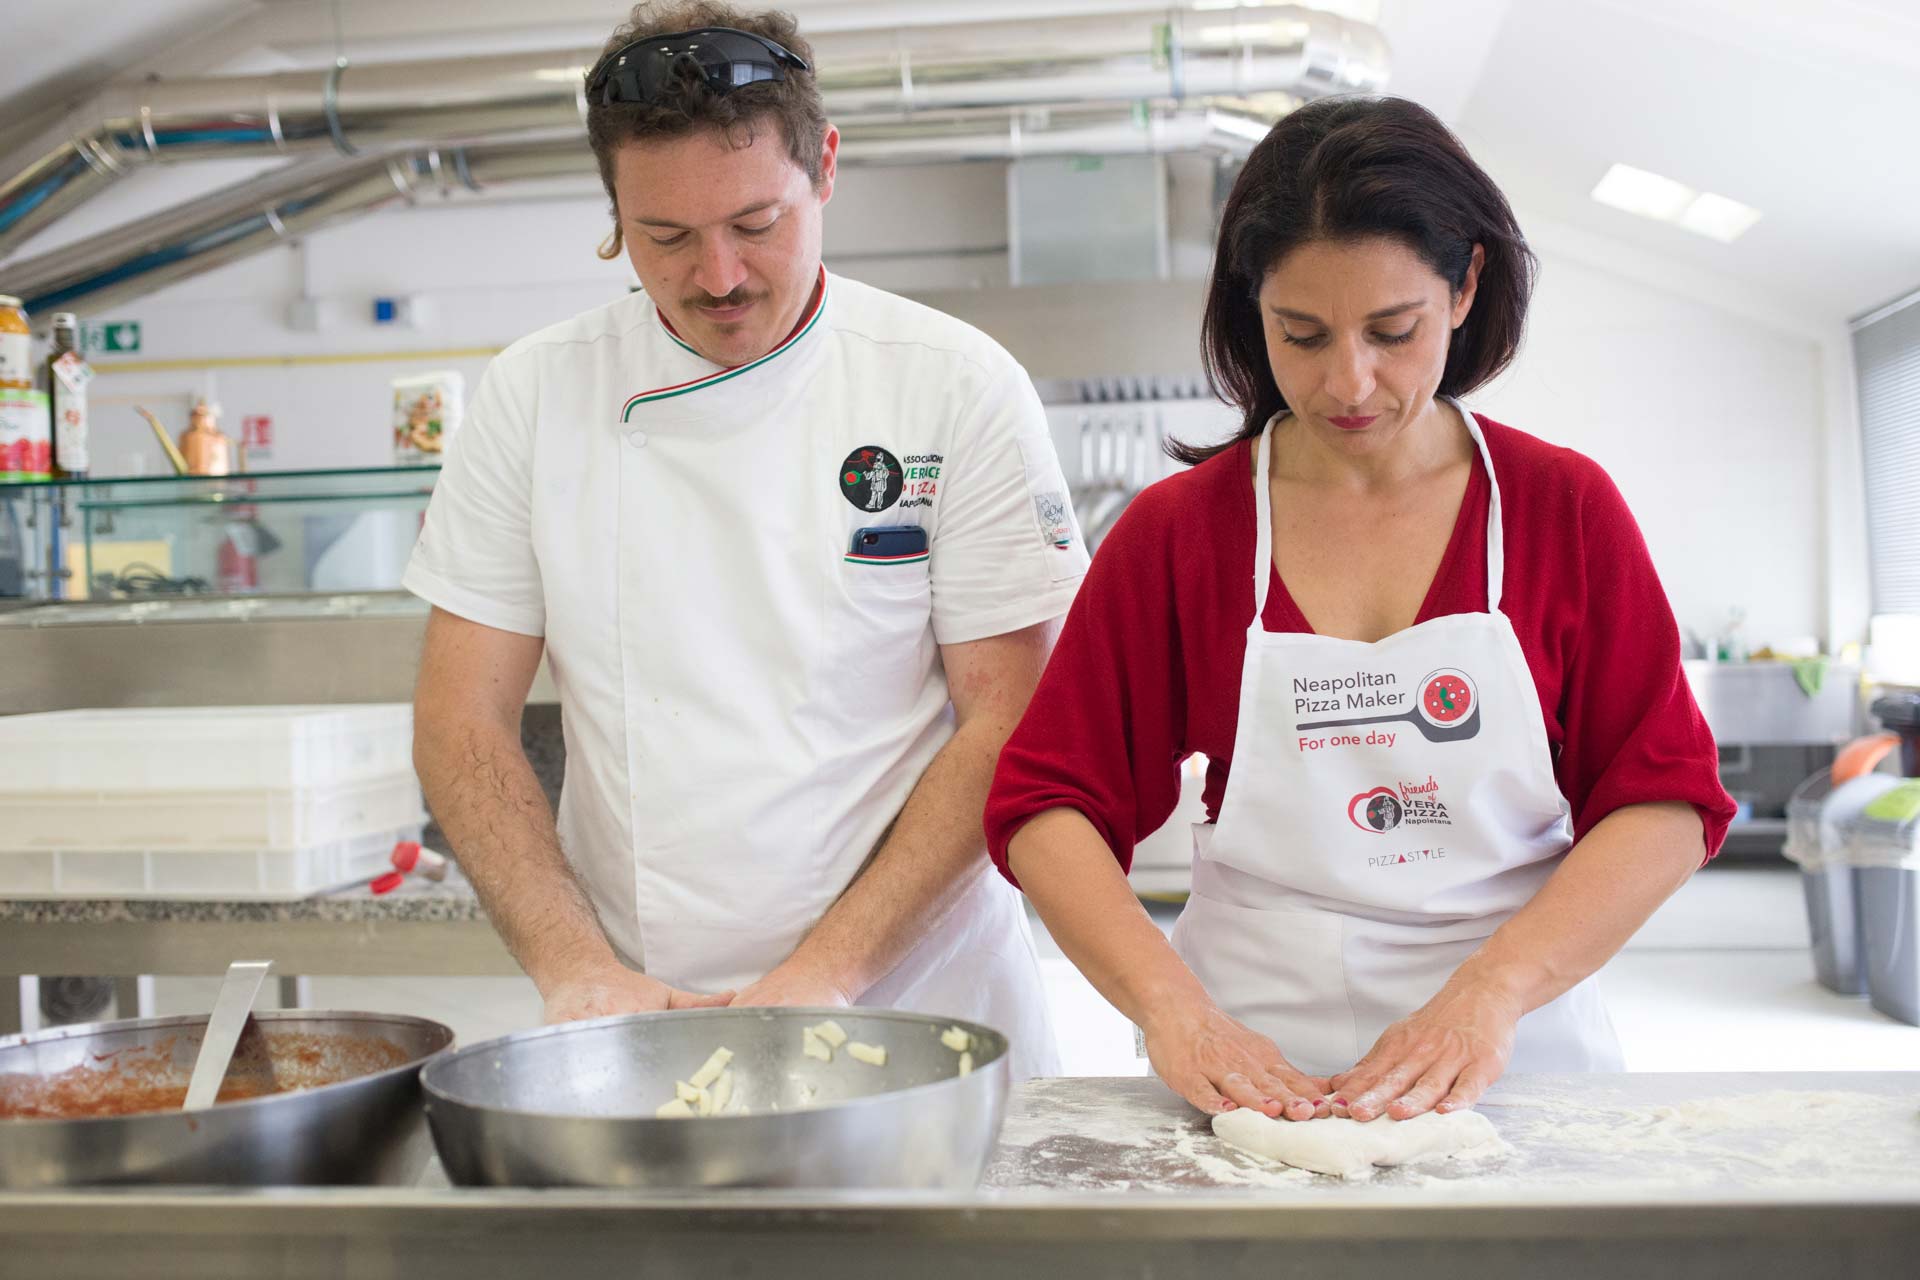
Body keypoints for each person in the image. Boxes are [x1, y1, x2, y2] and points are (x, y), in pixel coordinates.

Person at [985, 95, 1735, 1116]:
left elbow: (1664, 798)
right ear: (1252, 308)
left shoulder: (1563, 509)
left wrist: (1490, 991)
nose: (1349, 381)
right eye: (1301, 333)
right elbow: (1048, 804)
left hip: (1514, 1055)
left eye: (1393, 331)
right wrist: (1172, 1007)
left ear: (1466, 284)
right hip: (1247, 1067)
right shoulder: (1182, 532)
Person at [406, 1, 1087, 1077]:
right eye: (663, 237)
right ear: (613, 210)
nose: (716, 275)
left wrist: (828, 970)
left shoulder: (953, 383)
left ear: (824, 166)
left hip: (919, 1002)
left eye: (755, 223)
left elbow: (1009, 714)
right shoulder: (537, 392)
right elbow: (461, 718)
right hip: (640, 1006)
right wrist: (572, 964)